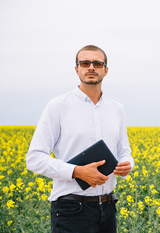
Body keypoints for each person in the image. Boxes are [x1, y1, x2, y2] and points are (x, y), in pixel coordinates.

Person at [26, 45, 134, 233]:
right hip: (71, 209)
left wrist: (127, 165)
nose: (91, 67)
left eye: (97, 64)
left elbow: (124, 152)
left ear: (105, 70)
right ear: (77, 69)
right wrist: (76, 171)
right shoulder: (57, 106)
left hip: (108, 208)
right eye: (85, 63)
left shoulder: (117, 109)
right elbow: (34, 158)